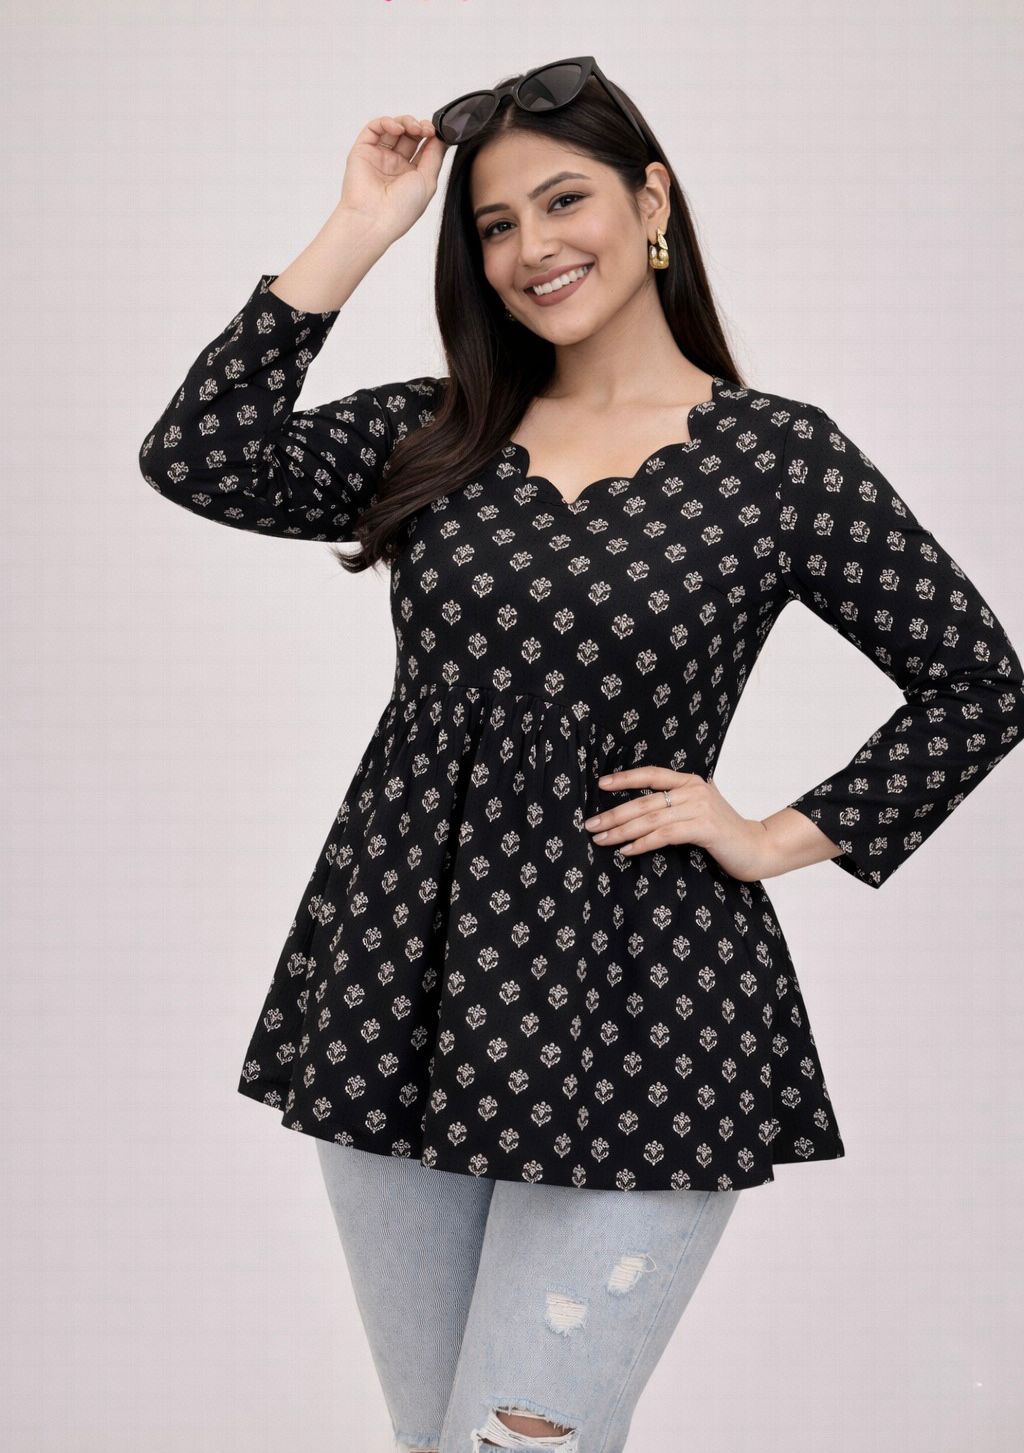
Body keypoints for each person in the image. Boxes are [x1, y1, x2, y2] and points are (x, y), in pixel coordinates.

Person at [137, 57, 1024, 1453]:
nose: (532, 248)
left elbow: (977, 682)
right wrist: (363, 225)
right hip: (404, 990)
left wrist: (773, 834)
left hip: (645, 1007)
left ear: (651, 201)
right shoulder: (439, 431)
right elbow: (201, 454)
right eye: (496, 225)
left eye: (565, 201)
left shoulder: (777, 460)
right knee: (440, 1444)